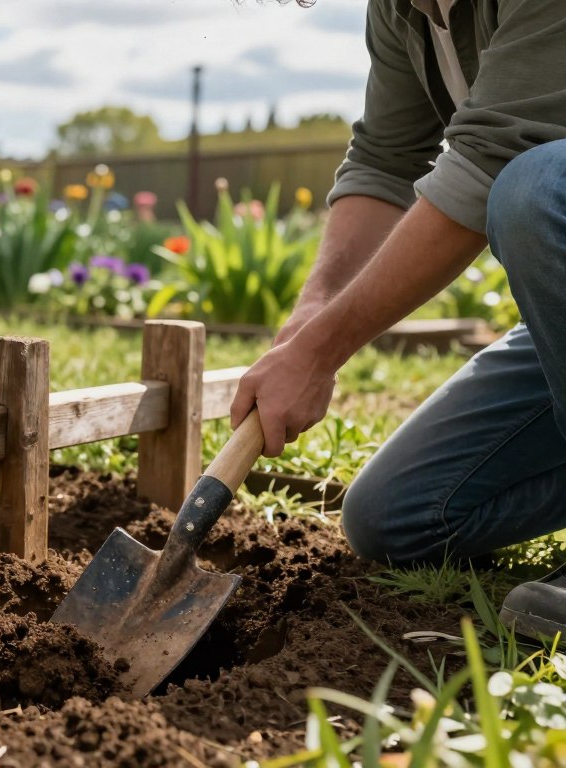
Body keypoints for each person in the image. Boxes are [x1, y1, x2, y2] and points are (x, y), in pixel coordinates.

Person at [231, 0, 566, 637]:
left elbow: (493, 159)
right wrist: (312, 313)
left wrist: (319, 353)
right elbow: (384, 161)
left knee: (537, 185)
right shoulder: (402, 10)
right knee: (401, 515)